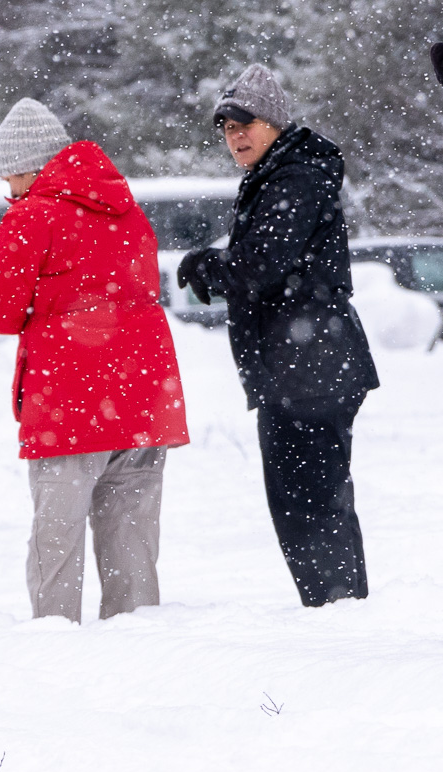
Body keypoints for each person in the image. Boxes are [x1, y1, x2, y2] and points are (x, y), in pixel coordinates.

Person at [0, 99, 191, 623]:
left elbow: (0, 310)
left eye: (10, 178)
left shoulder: (31, 216)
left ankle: (55, 645)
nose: (10, 192)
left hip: (70, 403)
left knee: (56, 544)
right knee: (131, 539)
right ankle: (137, 641)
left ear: (28, 165)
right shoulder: (127, 209)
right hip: (141, 397)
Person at [178, 64, 378, 608]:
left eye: (246, 123)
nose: (235, 136)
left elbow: (263, 264)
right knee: (305, 502)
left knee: (309, 506)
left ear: (275, 123)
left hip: (312, 365)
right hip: (302, 364)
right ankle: (337, 610)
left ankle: (338, 615)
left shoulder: (297, 175)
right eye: (226, 128)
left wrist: (207, 267)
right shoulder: (279, 173)